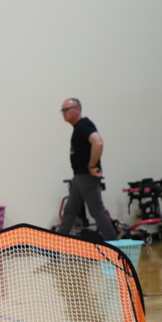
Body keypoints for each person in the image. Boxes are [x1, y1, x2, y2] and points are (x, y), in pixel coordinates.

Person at [57, 98, 118, 239]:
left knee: (96, 211)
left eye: (67, 109)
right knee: (69, 211)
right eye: (62, 110)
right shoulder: (78, 128)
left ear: (77, 109)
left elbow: (98, 143)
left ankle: (114, 245)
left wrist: (92, 165)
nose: (64, 113)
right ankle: (56, 246)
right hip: (78, 177)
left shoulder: (84, 125)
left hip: (86, 177)